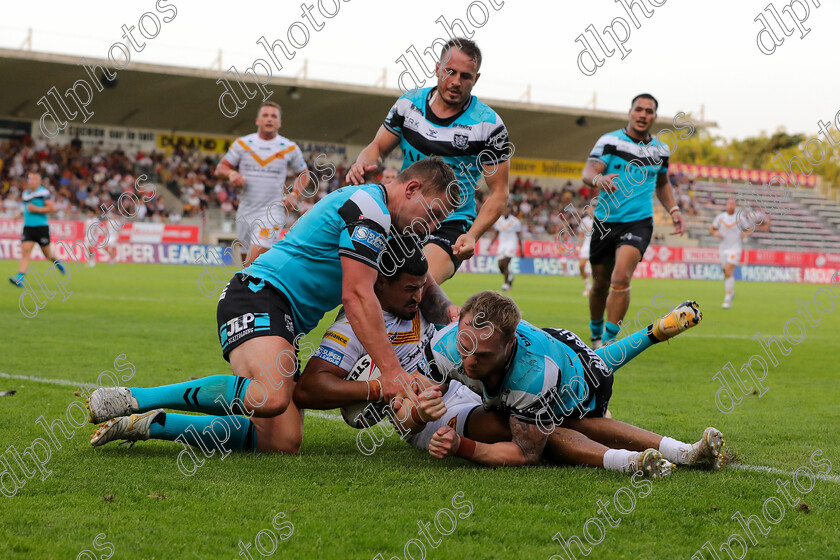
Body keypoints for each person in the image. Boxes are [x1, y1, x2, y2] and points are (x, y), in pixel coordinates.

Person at [87, 158, 460, 455]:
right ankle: (134, 398)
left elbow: (423, 281)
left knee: (282, 441)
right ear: (412, 189)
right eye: (432, 215)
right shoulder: (369, 209)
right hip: (259, 294)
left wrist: (451, 315)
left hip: (284, 319)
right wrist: (392, 375)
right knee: (270, 394)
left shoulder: (388, 222)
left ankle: (154, 423)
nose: (429, 228)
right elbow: (358, 296)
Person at [421, 291, 723, 477]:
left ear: (508, 342)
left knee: (572, 426)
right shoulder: (446, 344)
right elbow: (416, 398)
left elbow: (526, 454)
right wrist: (423, 403)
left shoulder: (534, 376)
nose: (469, 361)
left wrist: (462, 447)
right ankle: (654, 334)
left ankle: (662, 457)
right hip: (561, 347)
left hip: (577, 379)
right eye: (465, 347)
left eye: (482, 354)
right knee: (602, 359)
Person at [345, 38, 511, 284]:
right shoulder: (408, 104)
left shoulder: (489, 125)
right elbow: (377, 147)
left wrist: (473, 235)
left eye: (465, 76)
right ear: (437, 69)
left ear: (476, 79)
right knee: (367, 285)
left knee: (416, 286)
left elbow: (499, 193)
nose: (456, 81)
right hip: (401, 216)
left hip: (451, 223)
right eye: (450, 71)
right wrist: (362, 163)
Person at [581, 93, 685, 348]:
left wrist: (673, 210)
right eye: (639, 109)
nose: (643, 115)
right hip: (605, 222)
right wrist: (599, 179)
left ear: (654, 117)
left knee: (621, 278)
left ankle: (608, 342)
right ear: (630, 112)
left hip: (639, 222)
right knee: (600, 284)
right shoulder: (610, 141)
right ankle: (595, 333)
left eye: (648, 111)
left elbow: (662, 184)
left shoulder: (661, 149)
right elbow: (588, 171)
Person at [214, 101, 310, 266]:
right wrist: (231, 173)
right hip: (245, 211)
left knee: (254, 262)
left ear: (279, 122)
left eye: (274, 116)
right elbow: (220, 168)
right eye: (265, 115)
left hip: (272, 212)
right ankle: (252, 289)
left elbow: (304, 174)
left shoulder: (289, 147)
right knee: (246, 265)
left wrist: (295, 194)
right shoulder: (242, 144)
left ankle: (246, 288)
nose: (269, 119)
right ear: (257, 120)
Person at [9, 172, 67, 287]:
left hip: (41, 227)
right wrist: (18, 213)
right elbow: (25, 207)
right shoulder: (25, 193)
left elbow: (52, 208)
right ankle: (20, 279)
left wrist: (36, 209)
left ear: (38, 181)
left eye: (33, 179)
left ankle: (57, 262)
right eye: (29, 179)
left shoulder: (43, 192)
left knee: (47, 254)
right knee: (25, 252)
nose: (31, 181)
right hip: (28, 227)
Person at [711, 198, 750, 309]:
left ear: (735, 206)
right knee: (725, 272)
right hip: (723, 248)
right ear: (726, 205)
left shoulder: (740, 218)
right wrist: (715, 233)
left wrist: (745, 234)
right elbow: (712, 229)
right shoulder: (720, 217)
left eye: (733, 204)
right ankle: (731, 292)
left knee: (728, 270)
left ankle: (727, 298)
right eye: (729, 204)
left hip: (735, 248)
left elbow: (748, 229)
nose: (731, 206)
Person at [488, 207, 524, 291]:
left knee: (505, 262)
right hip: (502, 244)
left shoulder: (515, 221)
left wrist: (521, 249)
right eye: (504, 210)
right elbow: (496, 234)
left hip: (511, 243)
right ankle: (510, 277)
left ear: (510, 211)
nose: (505, 212)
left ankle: (505, 284)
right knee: (500, 265)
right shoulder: (498, 220)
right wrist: (490, 245)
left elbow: (519, 236)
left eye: (507, 210)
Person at [577, 206, 594, 297]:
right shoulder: (584, 221)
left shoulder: (601, 219)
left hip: (596, 246)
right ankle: (588, 285)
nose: (590, 210)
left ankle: (595, 288)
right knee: (581, 266)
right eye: (590, 208)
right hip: (586, 246)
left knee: (596, 269)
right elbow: (581, 235)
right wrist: (578, 246)